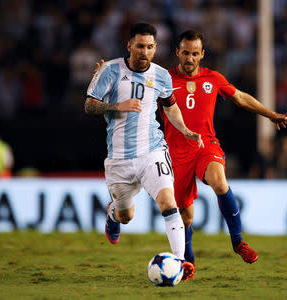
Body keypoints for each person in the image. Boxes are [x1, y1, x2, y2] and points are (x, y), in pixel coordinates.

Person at [161, 30, 287, 272]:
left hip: (205, 145)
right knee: (185, 217)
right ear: (177, 52)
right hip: (176, 153)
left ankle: (238, 242)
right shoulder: (164, 79)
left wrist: (271, 114)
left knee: (219, 182)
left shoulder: (213, 78)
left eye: (194, 54)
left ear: (202, 55)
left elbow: (241, 98)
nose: (189, 58)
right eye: (185, 53)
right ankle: (187, 265)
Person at [84, 23, 203, 281]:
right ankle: (113, 214)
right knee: (126, 215)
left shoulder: (161, 75)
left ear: (155, 48)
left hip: (152, 151)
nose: (144, 52)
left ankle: (181, 264)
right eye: (139, 46)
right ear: (129, 46)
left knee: (168, 203)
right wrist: (118, 105)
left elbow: (170, 106)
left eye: (149, 47)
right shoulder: (110, 70)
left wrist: (184, 129)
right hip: (119, 158)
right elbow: (89, 105)